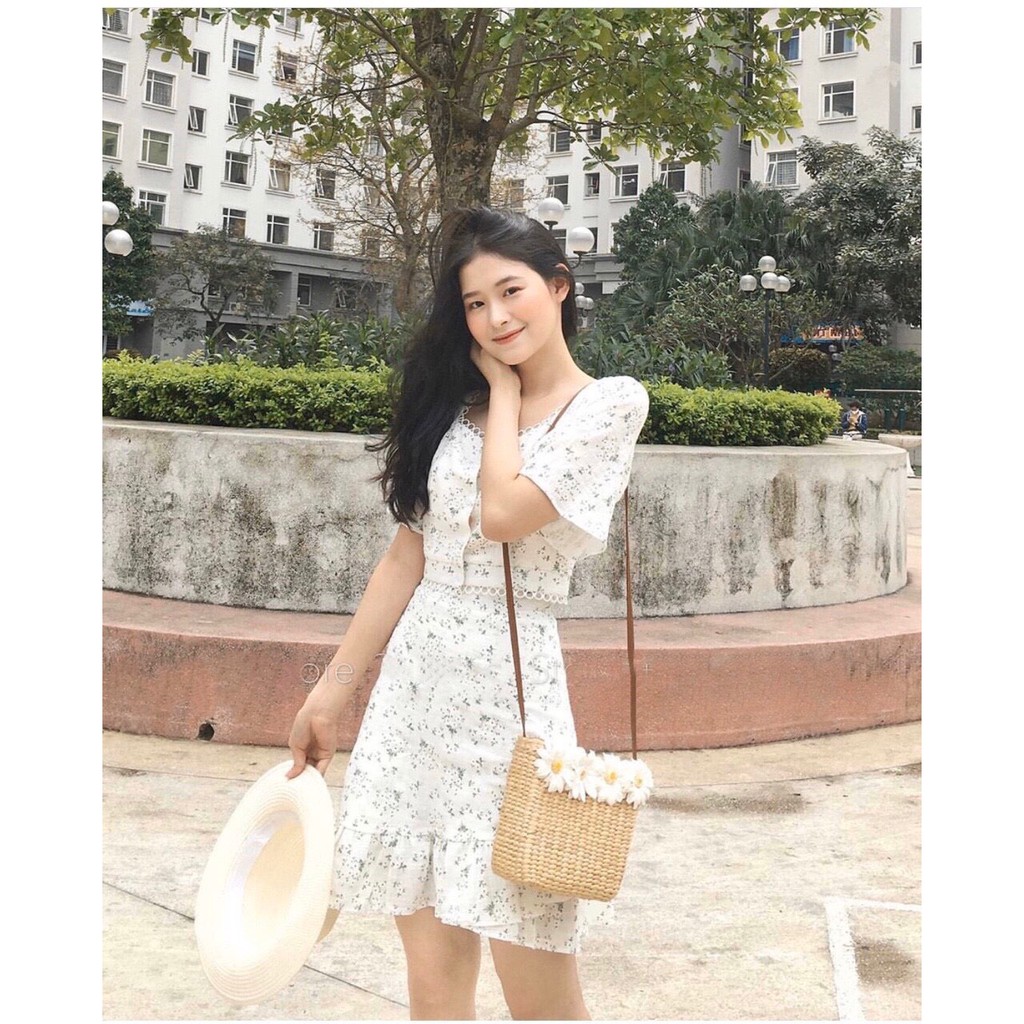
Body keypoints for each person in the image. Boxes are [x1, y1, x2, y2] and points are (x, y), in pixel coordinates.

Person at [285, 206, 650, 1021]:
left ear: (559, 287)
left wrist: (506, 395)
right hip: (414, 700)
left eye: (511, 291)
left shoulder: (608, 404)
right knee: (433, 982)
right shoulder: (457, 410)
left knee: (540, 990)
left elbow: (505, 513)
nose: (495, 317)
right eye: (475, 304)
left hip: (510, 706)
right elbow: (405, 557)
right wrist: (332, 693)